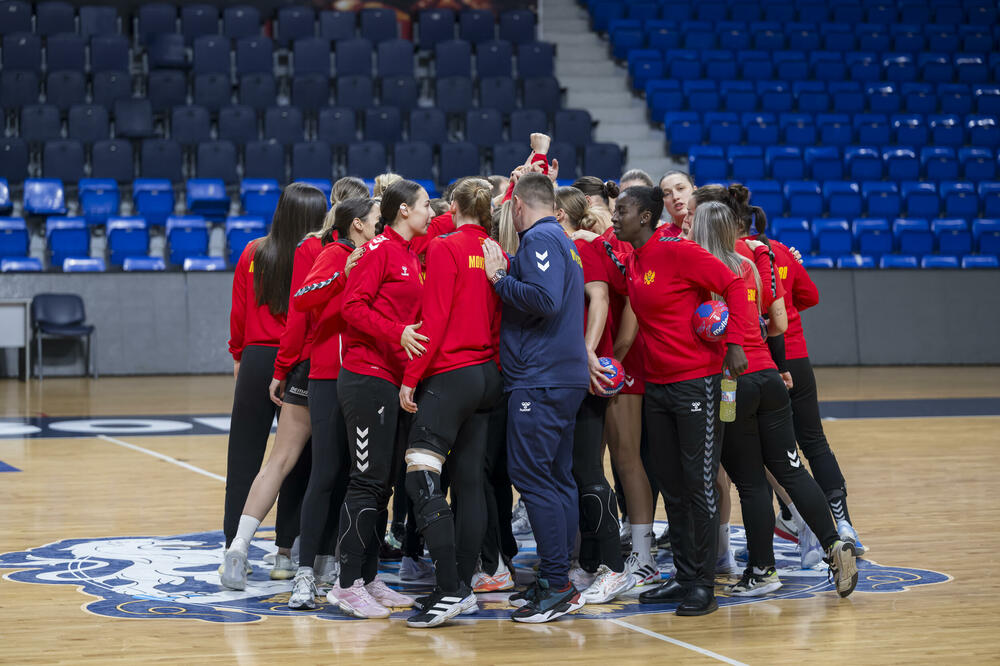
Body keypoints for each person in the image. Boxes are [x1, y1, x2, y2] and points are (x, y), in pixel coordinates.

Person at [583, 186, 754, 616]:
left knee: (697, 485)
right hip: (657, 386)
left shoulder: (677, 251)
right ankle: (683, 575)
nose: (614, 216)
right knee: (672, 484)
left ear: (645, 217)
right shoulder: (637, 257)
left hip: (696, 381)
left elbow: (734, 283)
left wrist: (734, 343)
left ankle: (704, 585)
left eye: (621, 210)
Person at [688, 201, 859, 599]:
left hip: (732, 384)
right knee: (792, 470)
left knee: (749, 482)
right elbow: (775, 321)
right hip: (769, 376)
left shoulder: (698, 270)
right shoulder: (748, 265)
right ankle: (834, 545)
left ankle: (763, 570)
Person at [727, 185, 867, 554]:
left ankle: (783, 534)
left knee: (760, 454)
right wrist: (786, 307)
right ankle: (843, 526)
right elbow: (810, 296)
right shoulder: (780, 252)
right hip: (797, 357)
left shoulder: (731, 257)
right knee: (813, 442)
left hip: (760, 363)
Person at [482, 173, 590, 623]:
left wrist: (499, 278)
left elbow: (543, 299)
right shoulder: (561, 240)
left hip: (540, 380)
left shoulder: (542, 239)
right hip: (560, 377)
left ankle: (558, 585)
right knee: (558, 477)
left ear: (520, 207)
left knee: (532, 478)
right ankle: (556, 578)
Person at [397, 178, 505, 628]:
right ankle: (464, 583)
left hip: (450, 375)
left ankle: (450, 588)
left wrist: (410, 377)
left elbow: (435, 319)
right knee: (470, 483)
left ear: (455, 205)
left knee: (421, 478)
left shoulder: (444, 247)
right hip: (487, 376)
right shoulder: (497, 252)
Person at [329, 179, 431, 619]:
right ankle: (345, 582)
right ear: (404, 210)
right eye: (425, 204)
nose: (431, 210)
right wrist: (397, 333)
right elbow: (352, 307)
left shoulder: (410, 254)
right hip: (365, 377)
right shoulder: (378, 251)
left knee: (384, 482)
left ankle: (369, 577)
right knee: (365, 480)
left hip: (389, 380)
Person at [221, 182, 329, 589]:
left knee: (243, 459)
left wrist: (239, 357)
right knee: (296, 461)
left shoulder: (253, 252)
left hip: (255, 358)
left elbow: (239, 311)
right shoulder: (317, 255)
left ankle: (235, 546)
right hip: (298, 360)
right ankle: (286, 554)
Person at [286, 197, 378, 609]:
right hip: (326, 377)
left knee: (355, 478)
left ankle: (348, 571)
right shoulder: (332, 253)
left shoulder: (379, 253)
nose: (381, 225)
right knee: (324, 473)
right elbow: (304, 298)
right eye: (376, 220)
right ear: (357, 224)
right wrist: (343, 273)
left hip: (365, 378)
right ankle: (304, 573)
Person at [555, 186, 635, 604]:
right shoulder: (564, 247)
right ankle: (586, 562)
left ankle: (614, 567)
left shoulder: (584, 249)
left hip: (588, 374)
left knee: (587, 470)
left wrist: (588, 351)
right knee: (570, 471)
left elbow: (600, 300)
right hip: (566, 374)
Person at [659, 170, 696, 235]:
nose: (675, 197)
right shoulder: (661, 239)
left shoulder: (715, 228)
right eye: (667, 194)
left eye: (680, 188)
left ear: (695, 190)